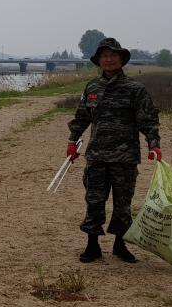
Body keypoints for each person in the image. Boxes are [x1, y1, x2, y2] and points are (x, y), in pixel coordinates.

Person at [67, 37, 161, 264]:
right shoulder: (92, 87)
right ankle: (92, 245)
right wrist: (73, 140)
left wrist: (154, 144)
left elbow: (147, 119)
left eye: (113, 55)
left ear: (121, 59)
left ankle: (120, 245)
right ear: (99, 60)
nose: (108, 59)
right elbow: (82, 117)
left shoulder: (135, 89)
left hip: (125, 157)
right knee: (94, 200)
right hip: (97, 155)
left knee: (123, 203)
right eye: (104, 56)